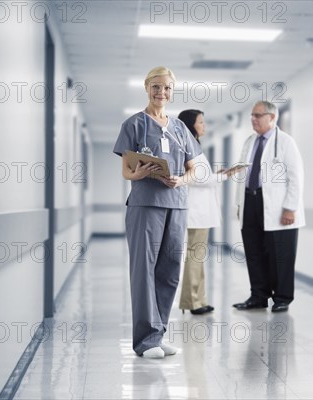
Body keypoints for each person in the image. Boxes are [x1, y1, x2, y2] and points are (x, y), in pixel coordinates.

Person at [113, 66, 202, 359]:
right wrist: (139, 174)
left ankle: (159, 334)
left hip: (176, 204)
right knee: (144, 271)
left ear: (171, 91)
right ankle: (145, 341)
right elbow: (126, 170)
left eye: (166, 88)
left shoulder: (180, 128)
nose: (161, 92)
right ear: (146, 88)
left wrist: (181, 180)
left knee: (170, 271)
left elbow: (193, 169)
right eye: (155, 87)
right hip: (145, 205)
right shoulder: (134, 124)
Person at [233, 101, 305, 313]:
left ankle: (282, 297)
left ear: (272, 117)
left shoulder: (285, 142)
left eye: (258, 115)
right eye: (252, 116)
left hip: (277, 205)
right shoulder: (250, 142)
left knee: (280, 254)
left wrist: (290, 207)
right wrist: (240, 203)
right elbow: (242, 174)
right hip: (251, 200)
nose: (253, 119)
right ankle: (259, 296)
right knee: (254, 251)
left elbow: (296, 177)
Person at [177, 109, 234, 315]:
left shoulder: (193, 146)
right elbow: (197, 178)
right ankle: (192, 302)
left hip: (200, 211)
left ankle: (199, 300)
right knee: (195, 256)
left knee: (197, 257)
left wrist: (215, 175)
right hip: (196, 211)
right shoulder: (187, 146)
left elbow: (201, 175)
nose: (204, 126)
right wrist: (224, 177)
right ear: (191, 125)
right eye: (200, 122)